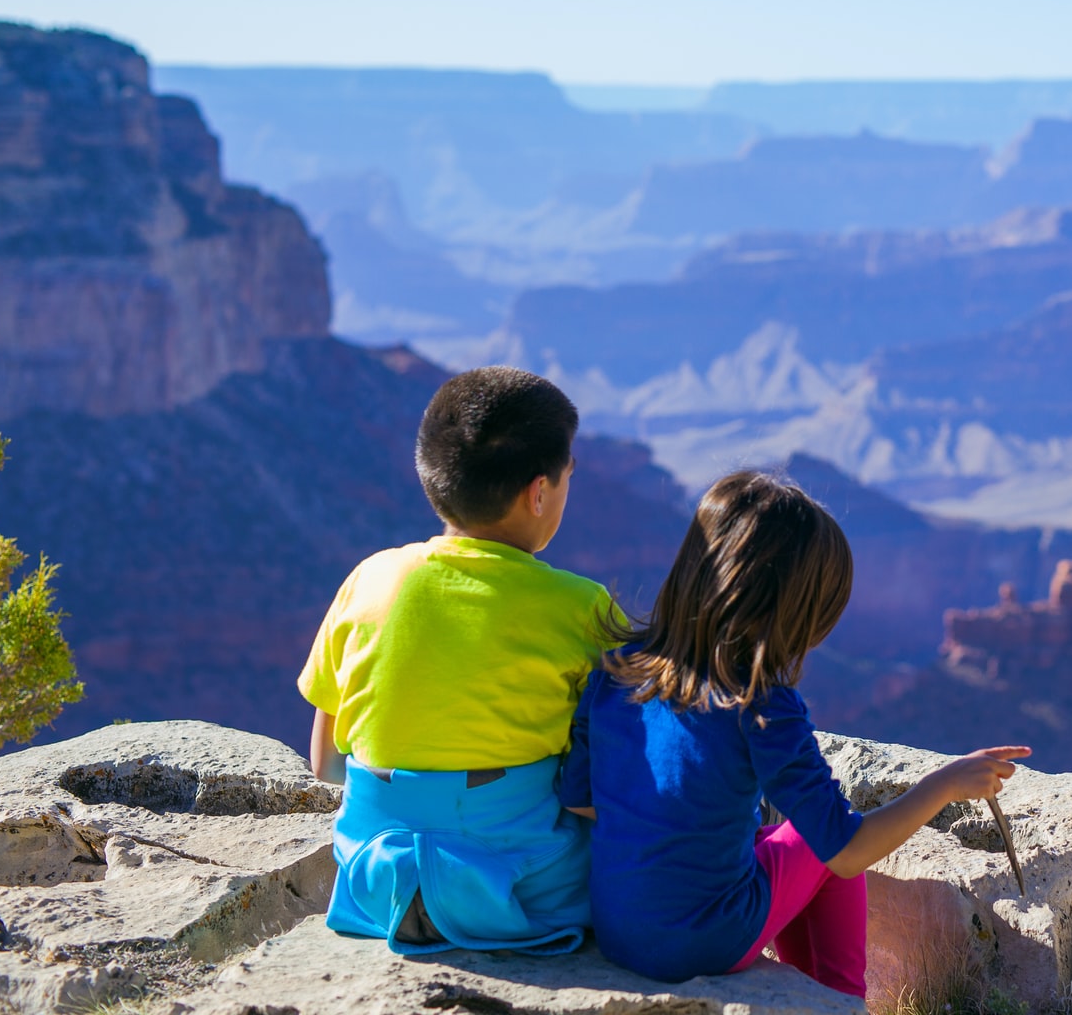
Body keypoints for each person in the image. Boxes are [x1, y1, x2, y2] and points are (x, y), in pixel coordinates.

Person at [561, 470, 1028, 998]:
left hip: (618, 930)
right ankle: (841, 1000)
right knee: (819, 834)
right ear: (792, 608)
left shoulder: (617, 670)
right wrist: (945, 783)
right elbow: (846, 850)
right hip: (705, 942)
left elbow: (582, 803)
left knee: (770, 838)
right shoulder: (759, 703)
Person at [298, 366, 619, 954]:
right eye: (568, 477)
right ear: (539, 491)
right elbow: (612, 776)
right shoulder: (583, 607)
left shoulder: (369, 579)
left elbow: (324, 760)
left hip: (378, 885)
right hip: (527, 894)